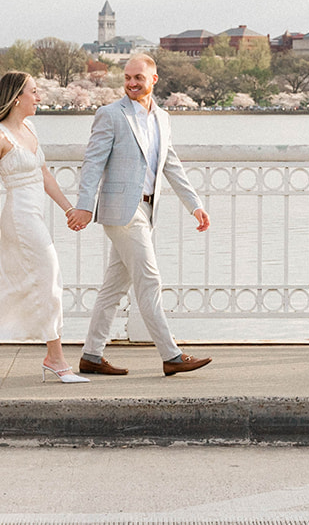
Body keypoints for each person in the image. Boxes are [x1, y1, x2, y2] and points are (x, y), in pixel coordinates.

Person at [67, 54, 212, 376]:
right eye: (128, 78)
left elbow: (170, 163)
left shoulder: (162, 117)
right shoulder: (110, 115)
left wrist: (195, 205)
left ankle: (91, 355)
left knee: (114, 287)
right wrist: (84, 205)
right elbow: (93, 162)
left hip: (147, 209)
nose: (132, 83)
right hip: (122, 211)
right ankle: (171, 355)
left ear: (154, 79)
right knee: (149, 280)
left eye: (138, 78)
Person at [0, 71, 88, 385]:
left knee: (7, 283)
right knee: (50, 275)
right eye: (34, 92)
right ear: (15, 98)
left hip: (34, 214)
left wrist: (69, 210)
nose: (39, 98)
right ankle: (55, 357)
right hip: (19, 219)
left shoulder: (30, 128)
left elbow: (46, 176)